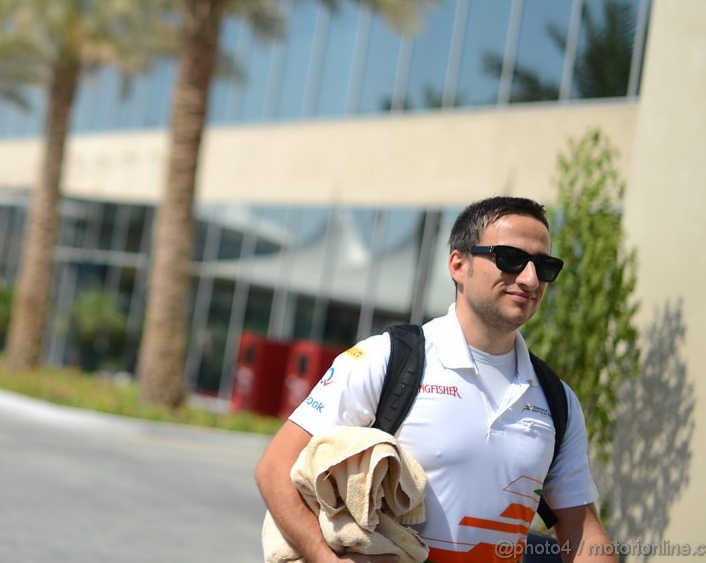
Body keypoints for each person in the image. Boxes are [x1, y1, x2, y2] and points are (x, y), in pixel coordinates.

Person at [256, 196, 615, 563]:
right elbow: (275, 469)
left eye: (545, 266)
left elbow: (581, 528)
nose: (530, 278)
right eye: (510, 259)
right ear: (459, 265)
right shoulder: (386, 359)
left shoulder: (558, 399)